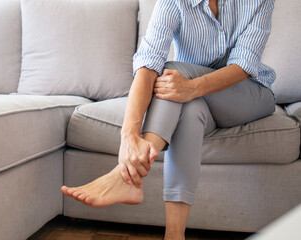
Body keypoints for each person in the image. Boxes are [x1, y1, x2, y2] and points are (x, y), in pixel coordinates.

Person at [62, 0, 276, 239]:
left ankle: (124, 175)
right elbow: (147, 61)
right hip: (199, 100)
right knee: (190, 111)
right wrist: (128, 137)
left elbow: (243, 64)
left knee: (172, 72)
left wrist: (191, 87)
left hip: (249, 96)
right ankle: (174, 234)